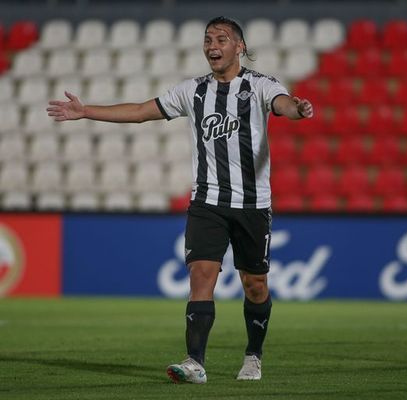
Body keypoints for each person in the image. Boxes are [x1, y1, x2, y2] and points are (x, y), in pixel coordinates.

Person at [47, 16, 313, 384]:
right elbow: (141, 112)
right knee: (201, 276)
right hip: (207, 202)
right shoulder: (193, 91)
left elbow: (283, 105)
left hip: (253, 204)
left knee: (256, 285)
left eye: (221, 38)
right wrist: (86, 111)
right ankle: (195, 363)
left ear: (240, 47)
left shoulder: (261, 85)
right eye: (207, 39)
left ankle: (253, 355)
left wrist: (298, 109)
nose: (212, 45)